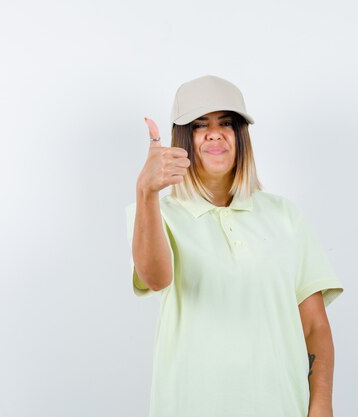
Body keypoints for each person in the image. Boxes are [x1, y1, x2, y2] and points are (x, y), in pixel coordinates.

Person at [125, 75, 344, 417]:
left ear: (240, 135)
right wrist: (146, 192)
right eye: (200, 125)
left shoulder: (284, 215)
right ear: (182, 139)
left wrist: (321, 406)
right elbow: (155, 278)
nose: (215, 133)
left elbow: (314, 326)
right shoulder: (155, 213)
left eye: (225, 122)